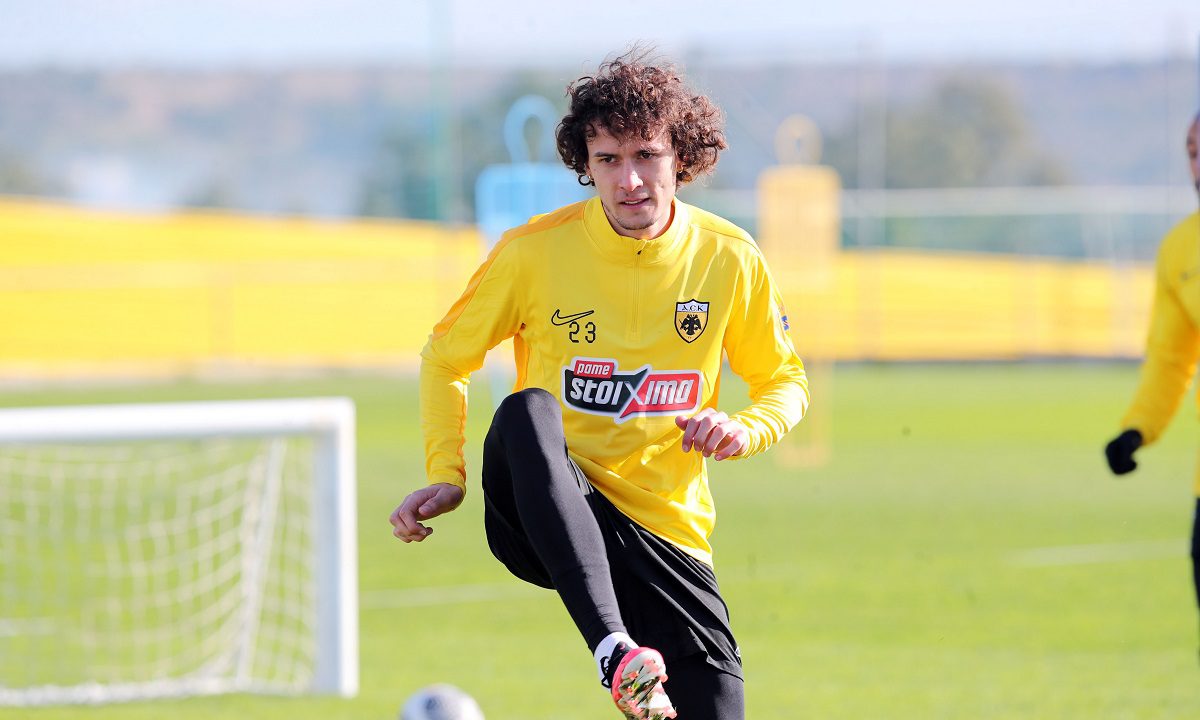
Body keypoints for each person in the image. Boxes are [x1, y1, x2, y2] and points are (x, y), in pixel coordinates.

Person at [390, 50, 809, 720]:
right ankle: (614, 652)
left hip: (664, 528)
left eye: (646, 155)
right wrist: (447, 472)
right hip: (549, 503)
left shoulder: (729, 257)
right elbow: (444, 358)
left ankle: (631, 660)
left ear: (681, 157)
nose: (629, 179)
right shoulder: (532, 252)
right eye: (608, 159)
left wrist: (744, 427)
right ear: (585, 164)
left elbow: (783, 379)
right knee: (527, 410)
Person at [1105, 110, 1200, 625]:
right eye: (1192, 152)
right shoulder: (1180, 249)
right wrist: (1138, 428)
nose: (1198, 164)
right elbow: (1170, 356)